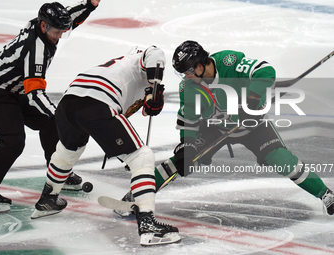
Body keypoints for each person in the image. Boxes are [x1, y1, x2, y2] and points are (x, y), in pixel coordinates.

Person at [115, 40, 334, 218]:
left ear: (201, 64)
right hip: (214, 128)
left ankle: (326, 195)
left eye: (189, 71)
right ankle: (138, 195)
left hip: (252, 124)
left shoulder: (229, 61)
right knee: (179, 161)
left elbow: (265, 71)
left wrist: (253, 100)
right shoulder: (189, 86)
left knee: (280, 159)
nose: (187, 77)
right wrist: (187, 143)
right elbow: (188, 119)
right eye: (183, 73)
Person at [31, 45, 181, 246]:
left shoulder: (118, 70)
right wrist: (155, 86)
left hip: (68, 104)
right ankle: (147, 225)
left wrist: (151, 97)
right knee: (142, 156)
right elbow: (155, 53)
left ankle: (47, 200)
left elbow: (131, 108)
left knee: (68, 151)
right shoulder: (139, 60)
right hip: (97, 103)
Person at [0, 1, 100, 213]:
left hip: (15, 90)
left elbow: (70, 17)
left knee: (50, 124)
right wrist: (58, 114)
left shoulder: (43, 26)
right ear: (43, 26)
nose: (59, 36)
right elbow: (35, 93)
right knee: (14, 141)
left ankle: (58, 171)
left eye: (63, 31)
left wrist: (89, 4)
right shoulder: (35, 49)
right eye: (56, 31)